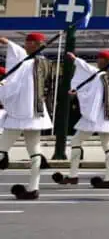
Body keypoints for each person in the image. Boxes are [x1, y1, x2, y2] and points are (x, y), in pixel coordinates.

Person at [52, 50, 109, 189]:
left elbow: (87, 71)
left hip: (96, 115)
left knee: (76, 141)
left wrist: (75, 59)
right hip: (107, 114)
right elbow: (90, 86)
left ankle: (73, 176)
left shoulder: (100, 75)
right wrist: (77, 91)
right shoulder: (108, 76)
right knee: (108, 147)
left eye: (100, 58)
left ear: (106, 62)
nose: (98, 60)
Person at [0, 33, 53, 201]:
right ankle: (33, 188)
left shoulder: (29, 63)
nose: (25, 45)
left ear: (35, 44)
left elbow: (13, 81)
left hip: (21, 111)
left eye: (28, 43)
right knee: (35, 151)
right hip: (36, 111)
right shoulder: (45, 62)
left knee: (2, 148)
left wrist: (8, 43)